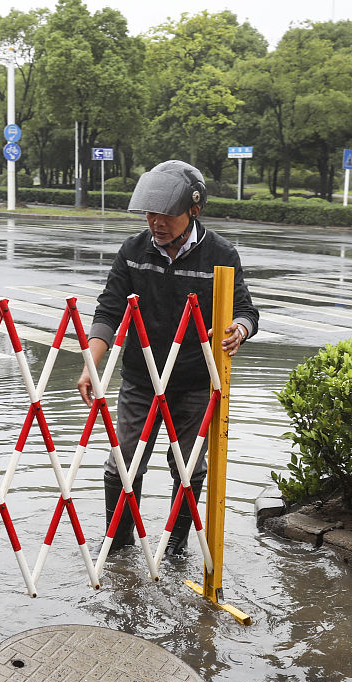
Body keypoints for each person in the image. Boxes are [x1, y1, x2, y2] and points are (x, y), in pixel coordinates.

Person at [76, 160, 259, 557]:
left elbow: (245, 310)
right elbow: (109, 310)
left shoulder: (221, 255)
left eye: (167, 214)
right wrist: (92, 360)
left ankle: (175, 549)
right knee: (123, 462)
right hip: (141, 380)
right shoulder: (133, 251)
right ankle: (119, 545)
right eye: (150, 213)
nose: (157, 222)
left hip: (194, 382)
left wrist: (237, 330)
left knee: (189, 467)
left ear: (194, 209)